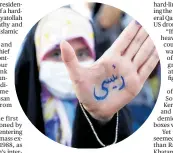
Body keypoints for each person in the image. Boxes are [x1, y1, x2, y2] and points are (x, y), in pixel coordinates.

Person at [15, 7, 159, 148]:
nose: (72, 67)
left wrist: (100, 120)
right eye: (56, 54)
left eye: (83, 53)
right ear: (36, 60)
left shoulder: (124, 115)